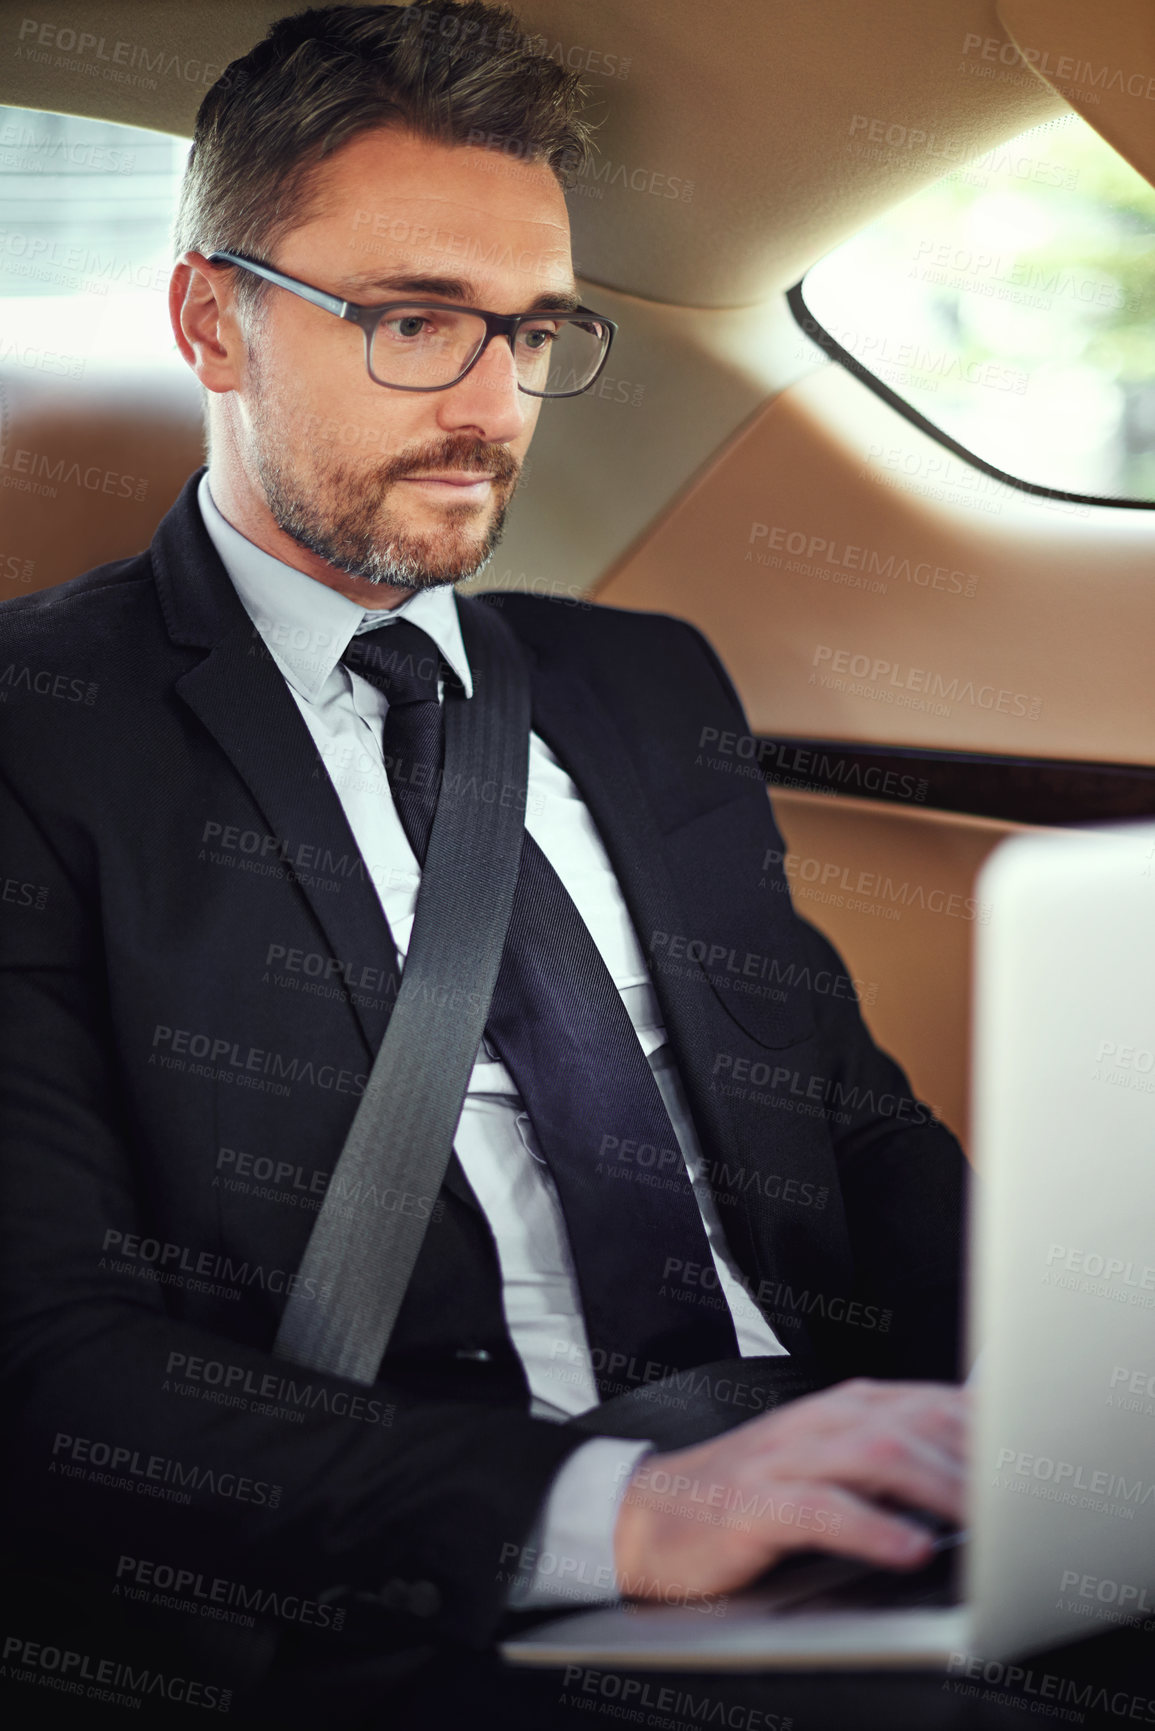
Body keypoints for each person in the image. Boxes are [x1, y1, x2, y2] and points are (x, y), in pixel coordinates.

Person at [0, 0, 967, 1717]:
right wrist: (613, 1514)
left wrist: (1060, 1401)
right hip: (415, 1578)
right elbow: (50, 1359)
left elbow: (855, 1127)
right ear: (213, 321)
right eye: (413, 321)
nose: (489, 402)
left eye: (529, 331)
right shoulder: (40, 733)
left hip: (818, 1484)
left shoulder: (648, 685)